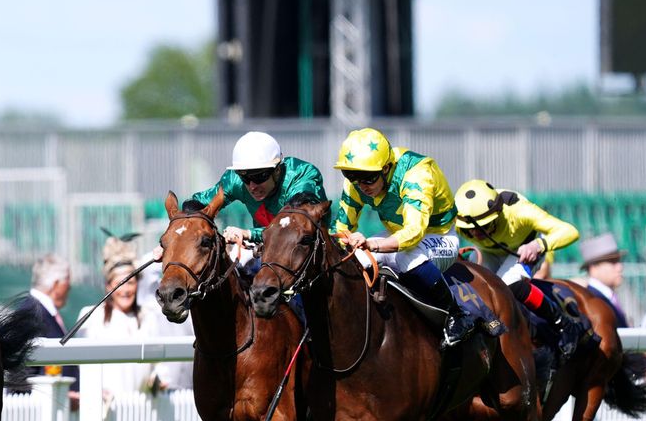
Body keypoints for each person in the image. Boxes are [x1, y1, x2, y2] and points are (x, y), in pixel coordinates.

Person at [331, 127, 473, 348]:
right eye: (351, 176)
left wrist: (371, 244)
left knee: (405, 258)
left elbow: (414, 233)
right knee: (356, 261)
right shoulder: (358, 180)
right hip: (396, 234)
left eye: (368, 178)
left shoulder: (416, 174)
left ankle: (457, 314)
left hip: (439, 236)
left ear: (386, 168)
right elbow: (340, 228)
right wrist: (347, 242)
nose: (360, 185)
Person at [452, 179, 589, 358]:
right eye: (469, 229)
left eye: (484, 226)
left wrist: (538, 245)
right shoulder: (456, 217)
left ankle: (564, 323)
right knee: (475, 288)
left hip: (524, 249)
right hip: (489, 252)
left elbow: (570, 231)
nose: (476, 233)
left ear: (498, 213)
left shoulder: (519, 211)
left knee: (504, 285)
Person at [194, 131, 328, 251]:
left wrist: (248, 233)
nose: (252, 186)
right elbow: (196, 203)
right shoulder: (235, 181)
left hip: (312, 251)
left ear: (277, 170)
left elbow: (293, 228)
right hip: (267, 247)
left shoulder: (301, 175)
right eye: (245, 178)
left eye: (259, 177)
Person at [77, 239, 154, 406]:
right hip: (103, 411)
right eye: (120, 284)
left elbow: (158, 364)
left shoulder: (149, 317)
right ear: (108, 286)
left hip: (142, 410)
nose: (126, 290)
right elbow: (82, 366)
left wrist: (157, 380)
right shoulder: (92, 317)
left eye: (131, 282)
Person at [17, 253, 79, 406]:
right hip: (41, 416)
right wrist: (63, 397)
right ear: (57, 284)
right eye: (68, 284)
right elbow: (21, 375)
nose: (69, 289)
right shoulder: (31, 314)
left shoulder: (38, 311)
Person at [578, 234, 629, 328]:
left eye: (619, 261)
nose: (620, 267)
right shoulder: (593, 300)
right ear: (593, 268)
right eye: (612, 262)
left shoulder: (603, 297)